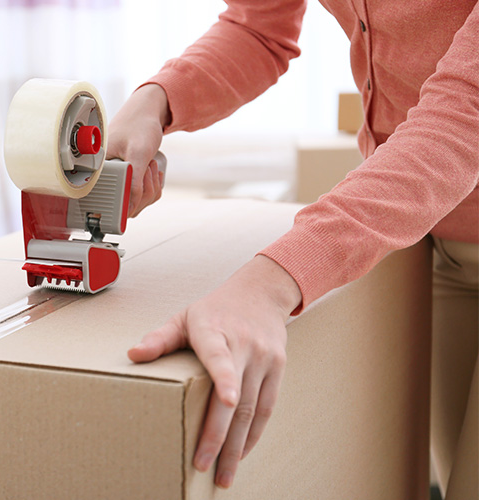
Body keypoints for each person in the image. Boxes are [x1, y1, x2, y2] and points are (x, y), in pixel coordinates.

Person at [107, 1, 479, 496]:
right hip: (428, 241)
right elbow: (258, 26)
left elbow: (464, 118)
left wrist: (268, 285)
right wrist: (155, 100)